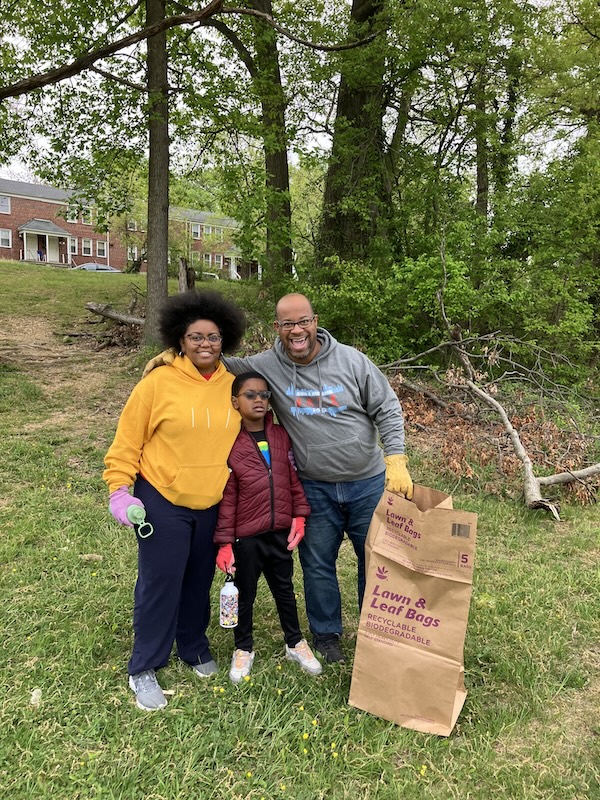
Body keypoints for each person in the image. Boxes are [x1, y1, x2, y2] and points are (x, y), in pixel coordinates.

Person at [144, 293, 413, 665]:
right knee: (318, 564)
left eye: (303, 321)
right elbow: (224, 363)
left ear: (315, 320)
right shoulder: (268, 365)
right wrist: (178, 356)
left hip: (366, 481)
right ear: (277, 328)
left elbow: (387, 407)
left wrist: (395, 457)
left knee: (377, 561)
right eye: (287, 324)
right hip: (313, 485)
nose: (297, 330)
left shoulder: (353, 361)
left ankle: (378, 633)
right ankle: (326, 635)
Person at [103, 289, 246, 710]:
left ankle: (194, 647)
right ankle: (144, 666)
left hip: (212, 502)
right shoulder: (158, 382)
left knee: (199, 580)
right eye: (196, 336)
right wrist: (119, 489)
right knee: (160, 581)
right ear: (179, 340)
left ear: (227, 339)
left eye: (214, 337)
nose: (206, 344)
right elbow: (127, 442)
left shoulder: (233, 384)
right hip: (162, 498)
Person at [214, 371, 322, 683]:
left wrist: (299, 515)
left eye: (264, 394)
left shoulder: (280, 436)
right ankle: (243, 647)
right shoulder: (230, 443)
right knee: (244, 594)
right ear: (235, 402)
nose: (259, 400)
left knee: (285, 590)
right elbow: (228, 497)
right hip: (247, 537)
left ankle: (295, 642)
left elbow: (292, 478)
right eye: (250, 395)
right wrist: (224, 543)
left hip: (280, 533)